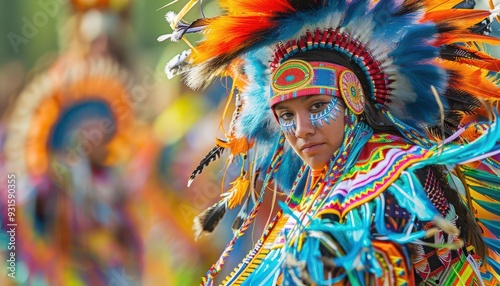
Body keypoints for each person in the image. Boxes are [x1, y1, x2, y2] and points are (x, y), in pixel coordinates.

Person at [160, 0, 500, 284]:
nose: (301, 129)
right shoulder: (330, 182)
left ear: (353, 96)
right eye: (287, 116)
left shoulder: (390, 174)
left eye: (318, 107)